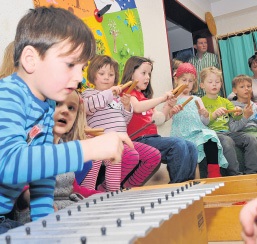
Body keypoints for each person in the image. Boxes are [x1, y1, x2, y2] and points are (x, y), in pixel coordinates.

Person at [0, 6, 132, 234]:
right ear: (31, 59)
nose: (79, 77)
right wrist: (87, 148)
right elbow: (9, 165)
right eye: (70, 64)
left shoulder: (47, 104)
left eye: (82, 67)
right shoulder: (7, 96)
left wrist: (45, 226)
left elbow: (41, 176)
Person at [81, 55, 161, 191]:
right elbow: (88, 107)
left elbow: (124, 121)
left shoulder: (116, 98)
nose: (107, 77)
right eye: (102, 74)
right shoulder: (88, 94)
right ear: (92, 74)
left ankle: (116, 189)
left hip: (120, 141)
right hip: (101, 142)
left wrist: (126, 107)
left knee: (152, 155)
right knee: (130, 155)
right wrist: (108, 93)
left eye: (111, 74)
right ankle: (89, 192)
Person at [121, 56, 198, 183]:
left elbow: (159, 119)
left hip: (152, 138)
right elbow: (137, 108)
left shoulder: (144, 97)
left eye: (149, 74)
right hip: (138, 139)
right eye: (143, 73)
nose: (147, 77)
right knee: (178, 144)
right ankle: (178, 184)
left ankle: (187, 182)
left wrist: (170, 107)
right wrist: (162, 99)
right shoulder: (127, 91)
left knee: (191, 146)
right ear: (131, 73)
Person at [169, 63, 228, 178]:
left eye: (190, 81)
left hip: (197, 132)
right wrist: (171, 111)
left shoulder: (197, 99)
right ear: (176, 80)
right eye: (184, 80)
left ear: (194, 83)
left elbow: (205, 122)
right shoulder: (172, 99)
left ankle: (214, 172)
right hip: (180, 133)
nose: (187, 84)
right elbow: (166, 117)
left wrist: (205, 115)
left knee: (210, 135)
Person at [200, 67, 257, 176]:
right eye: (210, 82)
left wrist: (239, 113)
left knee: (250, 139)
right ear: (202, 85)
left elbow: (236, 117)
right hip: (213, 133)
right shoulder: (200, 102)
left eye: (217, 82)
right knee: (227, 141)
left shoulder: (225, 101)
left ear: (221, 84)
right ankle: (235, 174)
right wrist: (214, 115)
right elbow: (202, 122)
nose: (214, 84)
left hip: (228, 132)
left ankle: (252, 173)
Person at [230, 74, 257, 173]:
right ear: (235, 90)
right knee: (252, 139)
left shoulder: (254, 105)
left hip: (254, 130)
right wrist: (245, 116)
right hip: (242, 132)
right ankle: (252, 173)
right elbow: (233, 128)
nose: (247, 89)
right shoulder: (231, 106)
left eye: (249, 86)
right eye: (242, 87)